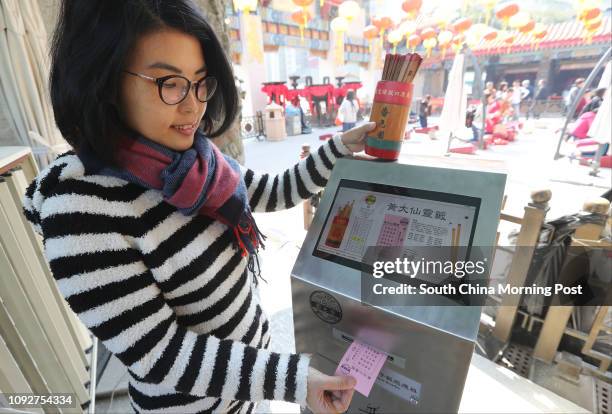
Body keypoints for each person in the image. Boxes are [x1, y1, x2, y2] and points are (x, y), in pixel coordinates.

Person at [23, 1, 374, 413]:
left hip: (242, 395)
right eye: (169, 83)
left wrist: (337, 149)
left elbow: (273, 190)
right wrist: (294, 379)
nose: (193, 106)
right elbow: (161, 354)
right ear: (104, 81)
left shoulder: (197, 163)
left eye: (201, 81)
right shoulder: (81, 209)